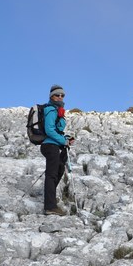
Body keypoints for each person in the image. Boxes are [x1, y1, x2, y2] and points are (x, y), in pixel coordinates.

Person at [41, 85, 74, 216]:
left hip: (56, 145)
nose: (60, 97)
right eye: (57, 95)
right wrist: (63, 141)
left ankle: (51, 198)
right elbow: (49, 130)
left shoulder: (58, 111)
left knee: (59, 170)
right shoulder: (51, 110)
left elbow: (56, 131)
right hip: (50, 146)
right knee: (52, 174)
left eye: (62, 95)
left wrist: (66, 138)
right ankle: (50, 206)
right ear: (51, 97)